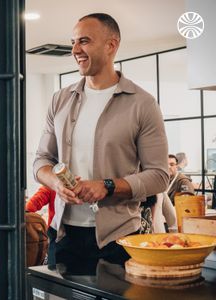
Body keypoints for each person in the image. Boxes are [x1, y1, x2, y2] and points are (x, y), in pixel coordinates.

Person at [33, 13, 169, 265]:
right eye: (73, 42)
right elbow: (41, 160)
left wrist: (106, 186)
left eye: (84, 41)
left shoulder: (143, 104)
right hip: (63, 236)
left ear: (111, 45)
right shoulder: (60, 100)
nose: (75, 50)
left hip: (118, 240)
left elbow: (159, 176)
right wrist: (55, 182)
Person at [25, 186, 57, 265]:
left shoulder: (53, 184)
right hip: (84, 234)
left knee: (54, 269)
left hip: (56, 234)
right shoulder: (86, 187)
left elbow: (29, 207)